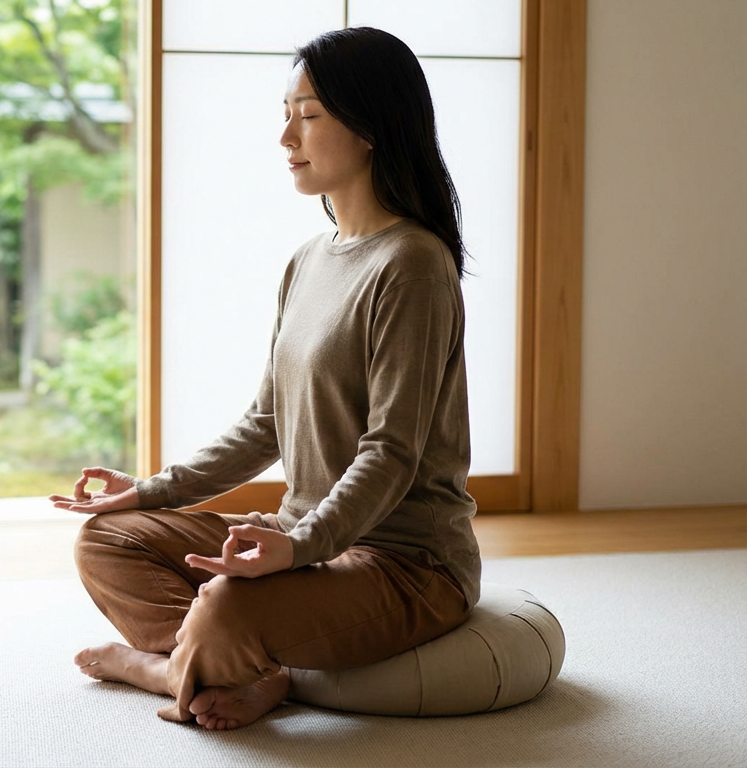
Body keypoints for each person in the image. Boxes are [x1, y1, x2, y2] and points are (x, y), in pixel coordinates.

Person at [49, 26, 482, 731]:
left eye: (308, 115)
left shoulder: (413, 265)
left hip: (406, 565)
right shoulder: (308, 260)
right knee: (108, 539)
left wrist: (301, 548)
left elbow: (391, 453)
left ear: (371, 126)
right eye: (286, 114)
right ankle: (237, 668)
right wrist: (150, 490)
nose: (286, 137)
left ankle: (162, 668)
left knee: (227, 605)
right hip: (303, 537)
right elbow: (266, 423)